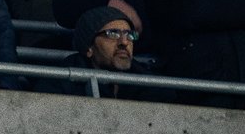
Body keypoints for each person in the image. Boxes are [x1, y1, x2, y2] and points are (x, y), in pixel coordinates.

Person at [34, 6, 172, 102]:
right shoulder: (60, 85)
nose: (124, 42)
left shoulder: (153, 86)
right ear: (89, 49)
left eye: (129, 35)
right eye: (112, 34)